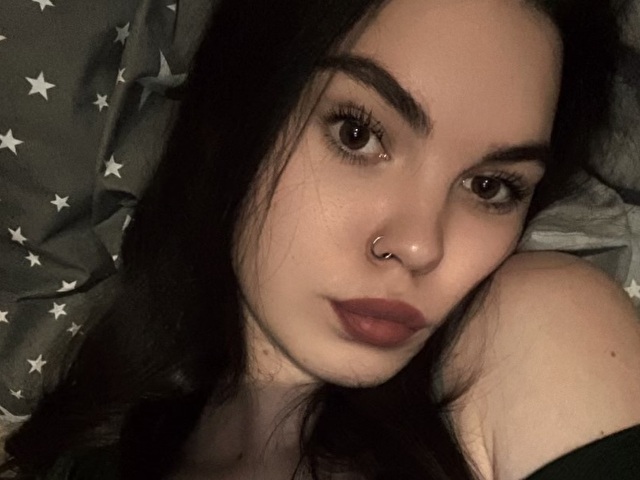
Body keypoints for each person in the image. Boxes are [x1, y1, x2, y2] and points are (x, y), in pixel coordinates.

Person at [3, 0, 640, 478]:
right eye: (357, 135)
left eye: (491, 186)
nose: (419, 246)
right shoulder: (96, 448)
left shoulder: (537, 333)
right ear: (241, 113)